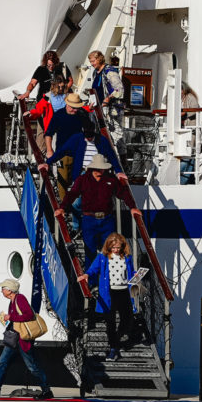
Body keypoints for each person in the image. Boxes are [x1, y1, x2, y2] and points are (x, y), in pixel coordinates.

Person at [59, 153, 142, 266]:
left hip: (107, 220)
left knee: (109, 251)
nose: (99, 171)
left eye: (101, 169)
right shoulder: (83, 179)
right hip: (89, 220)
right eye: (97, 169)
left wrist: (132, 207)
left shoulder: (111, 179)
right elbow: (72, 194)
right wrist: (62, 208)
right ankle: (91, 276)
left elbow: (123, 193)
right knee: (90, 252)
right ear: (92, 168)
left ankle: (107, 275)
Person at [0, 279, 53, 400]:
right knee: (2, 363)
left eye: (3, 288)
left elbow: (29, 315)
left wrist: (11, 317)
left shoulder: (20, 299)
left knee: (32, 367)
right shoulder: (12, 301)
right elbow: (16, 319)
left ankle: (47, 391)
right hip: (13, 338)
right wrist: (8, 321)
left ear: (10, 290)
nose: (1, 291)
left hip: (23, 340)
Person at [80, 233, 137, 361]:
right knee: (110, 321)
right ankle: (113, 348)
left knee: (127, 318)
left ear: (122, 246)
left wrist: (136, 275)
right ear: (109, 246)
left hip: (124, 291)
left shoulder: (127, 257)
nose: (116, 250)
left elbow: (131, 271)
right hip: (109, 292)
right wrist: (86, 275)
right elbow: (93, 269)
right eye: (113, 247)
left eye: (118, 247)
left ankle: (116, 338)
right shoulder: (103, 257)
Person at [43, 122, 125, 204]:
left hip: (97, 172)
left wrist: (118, 171)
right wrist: (48, 162)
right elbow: (62, 151)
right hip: (82, 173)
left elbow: (112, 156)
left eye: (90, 136)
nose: (89, 138)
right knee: (77, 203)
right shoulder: (77, 138)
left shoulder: (102, 140)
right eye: (87, 136)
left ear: (94, 131)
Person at [88, 51, 126, 150]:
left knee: (116, 135)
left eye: (93, 61)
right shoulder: (95, 73)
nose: (92, 64)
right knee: (101, 134)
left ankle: (121, 157)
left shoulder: (109, 71)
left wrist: (108, 98)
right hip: (99, 109)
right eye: (90, 62)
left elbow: (119, 89)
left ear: (99, 59)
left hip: (112, 110)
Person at [180, 83, 199, 185]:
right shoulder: (180, 98)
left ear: (184, 89)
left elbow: (195, 110)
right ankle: (190, 181)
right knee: (187, 157)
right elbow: (165, 100)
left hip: (190, 132)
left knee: (187, 156)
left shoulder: (190, 97)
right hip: (182, 132)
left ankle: (182, 182)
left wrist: (182, 113)